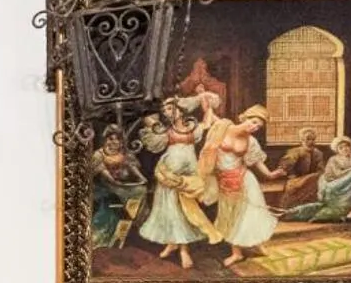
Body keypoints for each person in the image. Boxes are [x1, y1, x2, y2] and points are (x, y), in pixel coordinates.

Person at [139, 96, 222, 266]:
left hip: (188, 177)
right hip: (169, 176)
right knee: (171, 212)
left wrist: (205, 102)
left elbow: (207, 122)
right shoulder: (164, 131)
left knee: (186, 212)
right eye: (164, 110)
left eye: (169, 109)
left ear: (180, 110)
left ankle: (180, 248)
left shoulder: (192, 127)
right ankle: (177, 247)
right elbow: (151, 132)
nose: (166, 113)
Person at [204, 105, 280, 267]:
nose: (254, 127)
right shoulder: (223, 127)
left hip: (244, 179)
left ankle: (256, 243)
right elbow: (209, 118)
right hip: (224, 180)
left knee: (250, 213)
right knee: (231, 216)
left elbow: (257, 161)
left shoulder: (251, 141)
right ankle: (237, 253)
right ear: (245, 118)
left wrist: (270, 175)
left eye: (258, 127)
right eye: (253, 122)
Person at [283, 136, 351, 223]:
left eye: (347, 146)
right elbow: (336, 174)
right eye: (341, 148)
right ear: (337, 150)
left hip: (350, 182)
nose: (345, 149)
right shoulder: (334, 159)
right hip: (335, 182)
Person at [88, 129, 148, 247]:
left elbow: (132, 167)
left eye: (118, 139)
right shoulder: (99, 154)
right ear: (105, 140)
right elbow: (106, 175)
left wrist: (142, 179)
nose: (114, 142)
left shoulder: (124, 153)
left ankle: (134, 223)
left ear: (121, 142)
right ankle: (108, 233)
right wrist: (117, 183)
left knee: (141, 190)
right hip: (105, 185)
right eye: (111, 139)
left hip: (121, 184)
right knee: (119, 196)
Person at [274, 127, 330, 210]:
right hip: (297, 178)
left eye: (313, 139)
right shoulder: (295, 151)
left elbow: (321, 168)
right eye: (308, 139)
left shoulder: (318, 153)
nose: (310, 142)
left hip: (313, 178)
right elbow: (286, 164)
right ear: (302, 140)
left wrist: (320, 175)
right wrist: (291, 174)